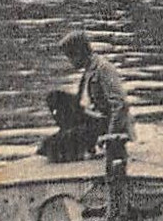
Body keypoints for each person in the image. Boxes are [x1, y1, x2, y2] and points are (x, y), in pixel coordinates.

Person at [41, 31, 134, 161]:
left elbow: (120, 105)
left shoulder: (103, 69)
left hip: (103, 124)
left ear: (80, 53)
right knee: (54, 98)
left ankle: (80, 140)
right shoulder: (89, 68)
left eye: (70, 56)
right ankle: (72, 133)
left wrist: (110, 137)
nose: (70, 61)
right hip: (92, 118)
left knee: (51, 147)